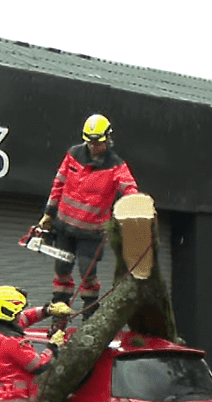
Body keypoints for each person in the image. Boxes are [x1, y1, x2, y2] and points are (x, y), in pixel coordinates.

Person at [38, 114, 140, 312]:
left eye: (98, 142)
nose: (94, 146)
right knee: (61, 269)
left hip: (92, 232)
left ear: (108, 138)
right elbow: (58, 184)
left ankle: (89, 313)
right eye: (90, 142)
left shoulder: (116, 166)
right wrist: (48, 214)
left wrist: (136, 208)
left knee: (87, 272)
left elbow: (129, 187)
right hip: (64, 227)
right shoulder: (73, 154)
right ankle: (59, 311)